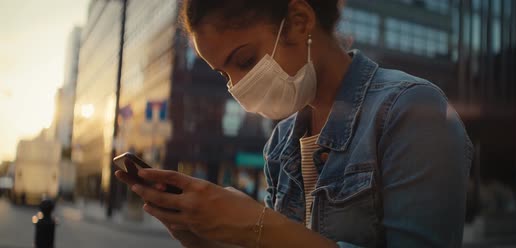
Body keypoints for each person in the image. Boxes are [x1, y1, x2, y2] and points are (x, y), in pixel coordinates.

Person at [116, 0, 473, 247]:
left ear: (300, 20)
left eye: (244, 59)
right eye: (225, 74)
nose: (237, 85)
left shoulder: (410, 110)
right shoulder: (282, 143)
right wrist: (202, 236)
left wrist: (256, 225)